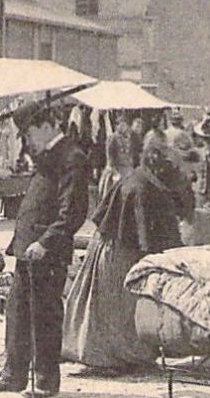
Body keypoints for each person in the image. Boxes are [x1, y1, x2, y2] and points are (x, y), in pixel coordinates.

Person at [0, 103, 90, 397]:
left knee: (44, 314)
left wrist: (45, 242)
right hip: (27, 250)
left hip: (47, 252)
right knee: (17, 312)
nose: (26, 141)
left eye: (28, 133)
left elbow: (73, 212)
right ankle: (14, 374)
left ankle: (45, 380)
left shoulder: (72, 157)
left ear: (46, 126)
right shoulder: (47, 157)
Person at [63, 136, 184, 371]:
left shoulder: (140, 179)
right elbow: (142, 229)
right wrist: (155, 255)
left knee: (111, 303)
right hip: (120, 249)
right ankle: (115, 357)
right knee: (118, 304)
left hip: (114, 244)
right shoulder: (141, 186)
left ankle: (118, 354)